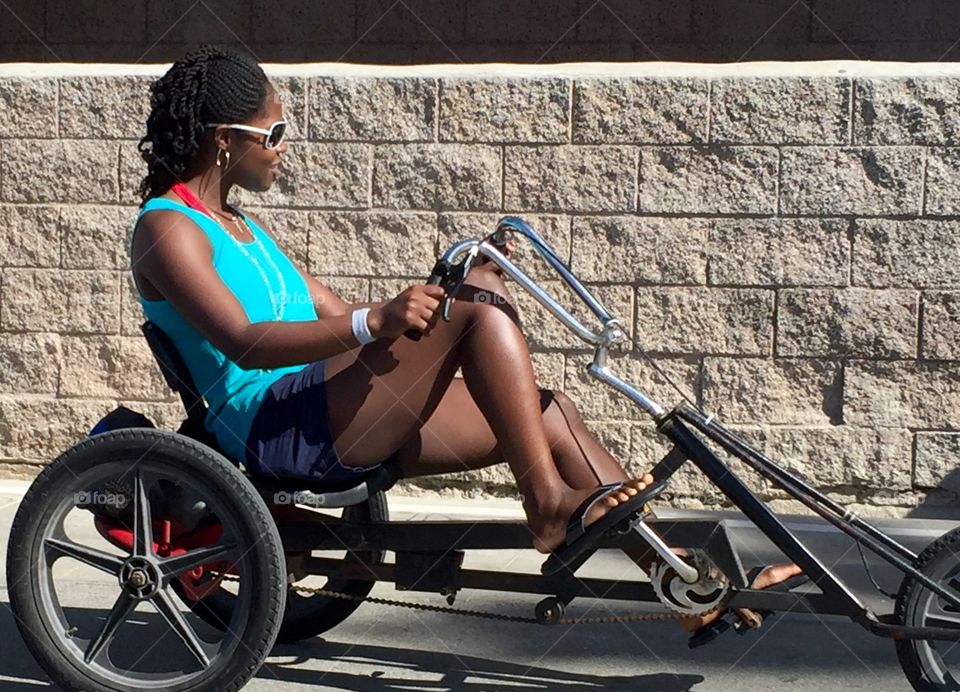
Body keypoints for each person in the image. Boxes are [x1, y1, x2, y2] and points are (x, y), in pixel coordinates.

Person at [128, 45, 800, 641]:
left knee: (544, 410)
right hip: (274, 426)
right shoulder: (168, 229)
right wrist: (392, 319)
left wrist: (428, 298)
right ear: (224, 139)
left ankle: (686, 583)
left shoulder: (239, 226)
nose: (283, 147)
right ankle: (546, 506)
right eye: (274, 132)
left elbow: (336, 311)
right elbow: (245, 343)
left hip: (331, 404)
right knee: (478, 303)